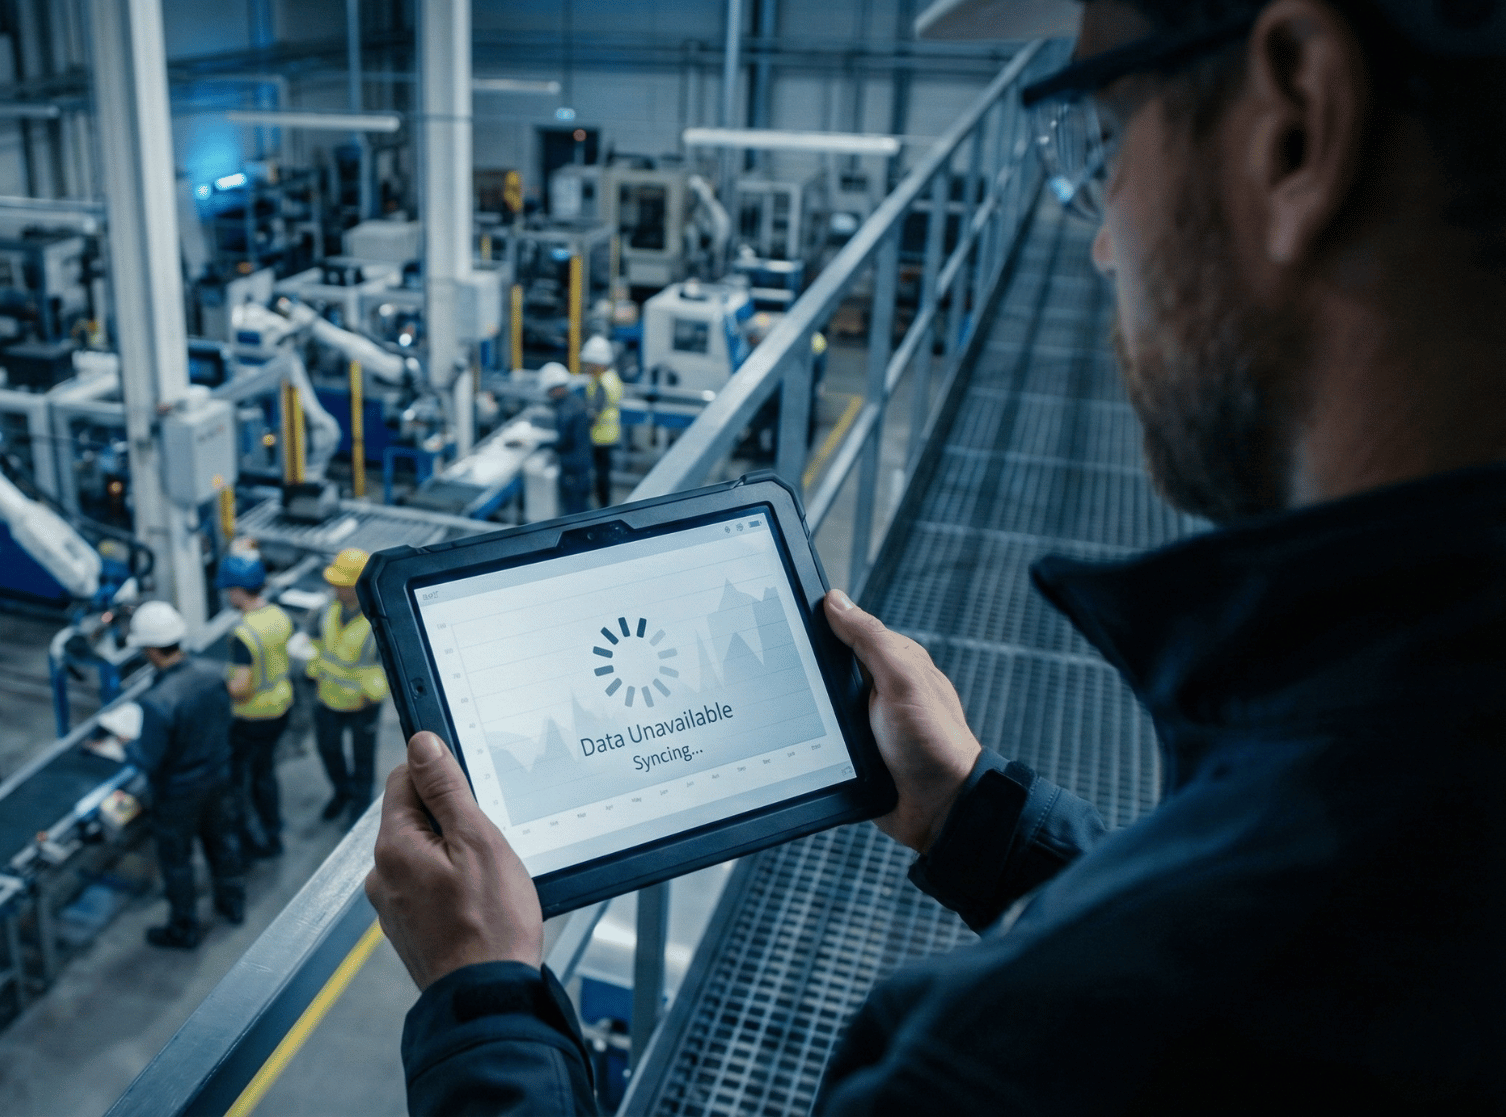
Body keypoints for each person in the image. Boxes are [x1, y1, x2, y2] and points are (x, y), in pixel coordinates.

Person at [365, 0, 1506, 1110]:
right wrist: (977, 815)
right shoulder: (1418, 791)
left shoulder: (1001, 1058)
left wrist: (487, 1006)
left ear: (1295, 122)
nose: (1104, 241)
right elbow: (1278, 965)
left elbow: (1212, 983)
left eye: (1103, 132)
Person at [120, 600, 244, 949]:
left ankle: (184, 928)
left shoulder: (157, 701)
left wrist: (125, 743)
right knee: (222, 842)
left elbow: (149, 759)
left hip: (178, 794)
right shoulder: (212, 673)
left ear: (149, 650)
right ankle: (232, 903)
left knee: (177, 861)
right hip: (219, 777)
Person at [218, 545, 294, 859]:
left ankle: (250, 842)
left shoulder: (244, 634)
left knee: (241, 781)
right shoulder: (277, 614)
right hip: (281, 705)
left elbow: (242, 688)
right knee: (266, 773)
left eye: (228, 590)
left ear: (237, 592)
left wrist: (221, 686)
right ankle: (274, 831)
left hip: (253, 716)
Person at [307, 547, 387, 823]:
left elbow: (388, 664)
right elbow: (317, 645)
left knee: (363, 759)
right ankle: (342, 792)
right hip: (327, 697)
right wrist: (315, 672)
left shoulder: (380, 618)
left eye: (342, 585)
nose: (336, 589)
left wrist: (372, 693)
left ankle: (360, 807)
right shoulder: (326, 610)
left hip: (362, 703)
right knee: (329, 750)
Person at [540, 362, 593, 515]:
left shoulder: (565, 410)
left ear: (556, 388)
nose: (549, 396)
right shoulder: (575, 401)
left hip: (572, 470)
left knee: (574, 514)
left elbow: (564, 441)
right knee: (583, 509)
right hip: (583, 467)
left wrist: (543, 445)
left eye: (549, 391)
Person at [579, 336, 625, 507]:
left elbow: (594, 412)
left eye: (589, 363)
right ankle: (603, 504)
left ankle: (602, 508)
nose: (587, 367)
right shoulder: (610, 377)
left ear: (599, 363)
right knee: (603, 473)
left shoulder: (602, 384)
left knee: (601, 476)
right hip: (607, 435)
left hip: (600, 437)